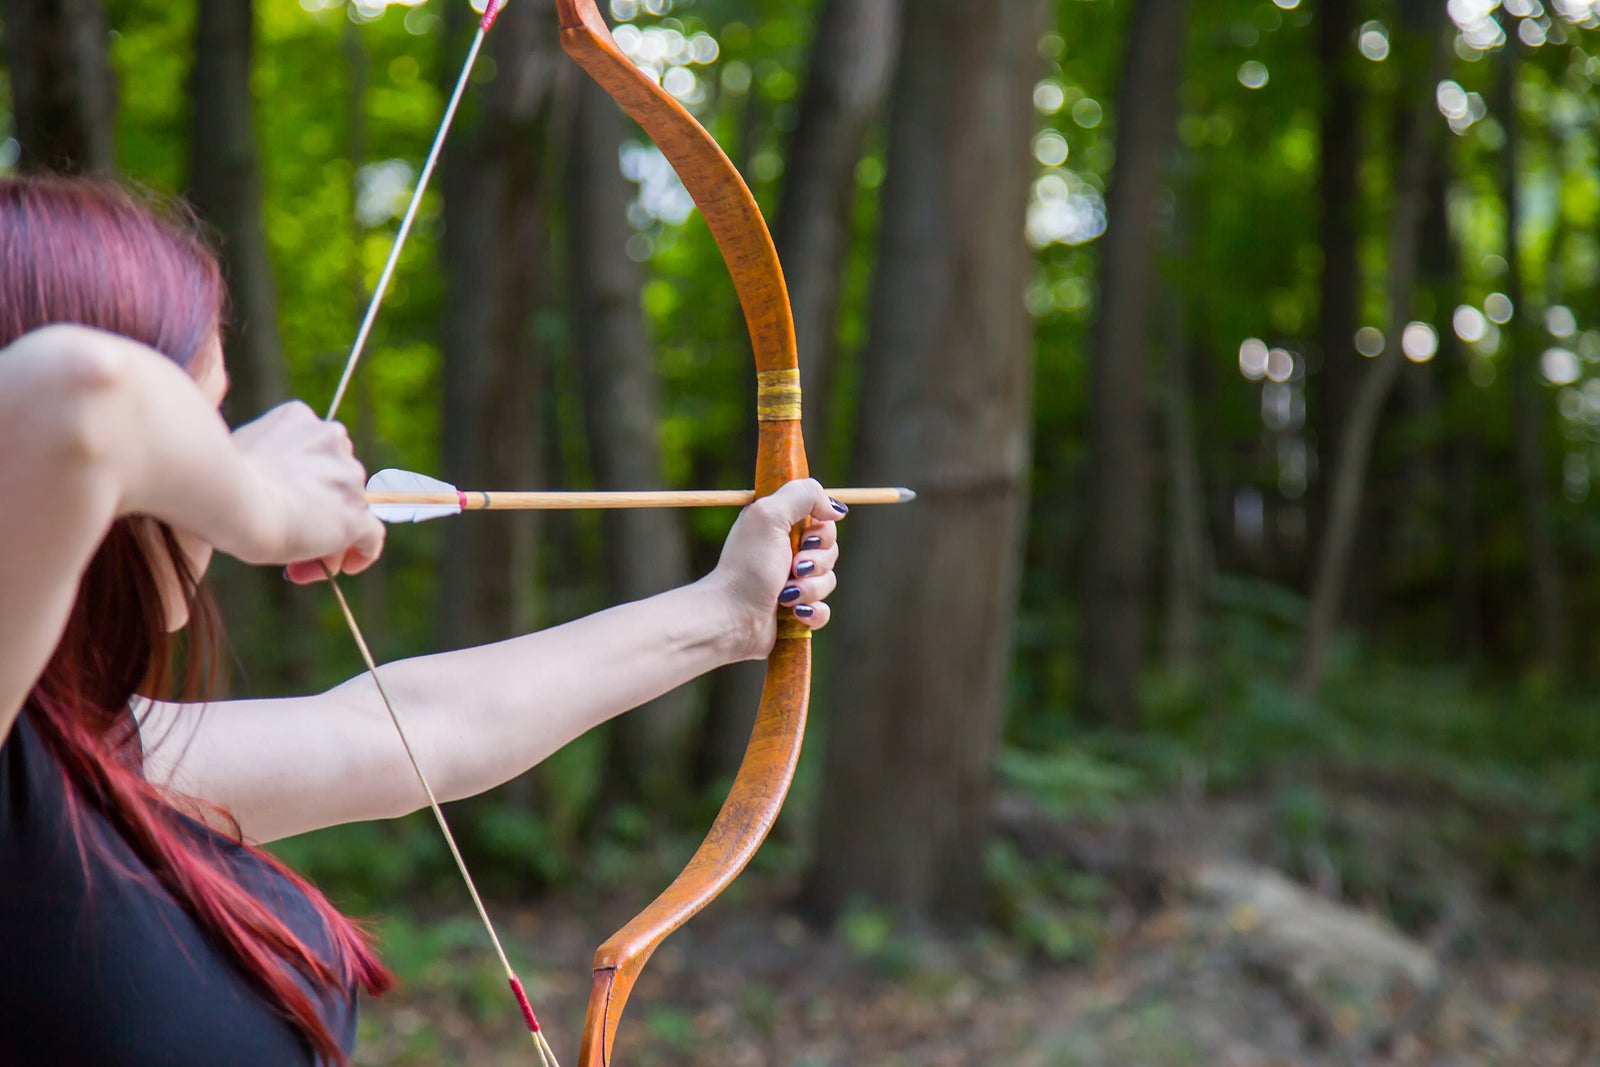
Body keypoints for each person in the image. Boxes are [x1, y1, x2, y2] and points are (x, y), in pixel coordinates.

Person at [0, 175, 842, 1066]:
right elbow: (80, 397)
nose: (219, 447)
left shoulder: (80, 759)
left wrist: (727, 613)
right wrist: (261, 504)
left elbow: (420, 728)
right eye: (204, 423)